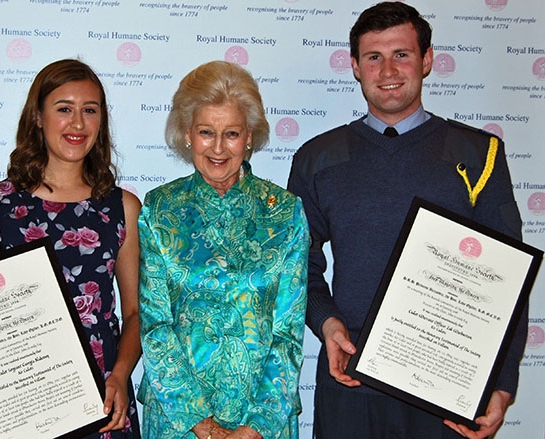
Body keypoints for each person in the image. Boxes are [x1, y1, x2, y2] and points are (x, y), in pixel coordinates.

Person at [287, 2, 526, 439]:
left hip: (449, 384)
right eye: (374, 57)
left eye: (402, 54)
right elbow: (296, 264)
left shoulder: (479, 154)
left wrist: (503, 381)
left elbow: (507, 280)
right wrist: (327, 324)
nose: (388, 69)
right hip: (351, 373)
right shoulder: (316, 159)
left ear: (427, 60)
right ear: (356, 67)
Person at [0, 58, 142, 438]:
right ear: (37, 116)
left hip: (100, 397)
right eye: (64, 109)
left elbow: (134, 314)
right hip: (14, 400)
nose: (78, 123)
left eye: (90, 110)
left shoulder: (124, 208)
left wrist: (120, 377)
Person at [137, 60, 310, 439]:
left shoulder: (285, 213)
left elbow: (288, 332)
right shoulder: (158, 209)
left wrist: (254, 427)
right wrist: (204, 427)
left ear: (249, 136)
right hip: (178, 423)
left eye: (231, 133)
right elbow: (155, 327)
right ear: (187, 133)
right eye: (205, 132)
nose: (218, 148)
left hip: (263, 423)